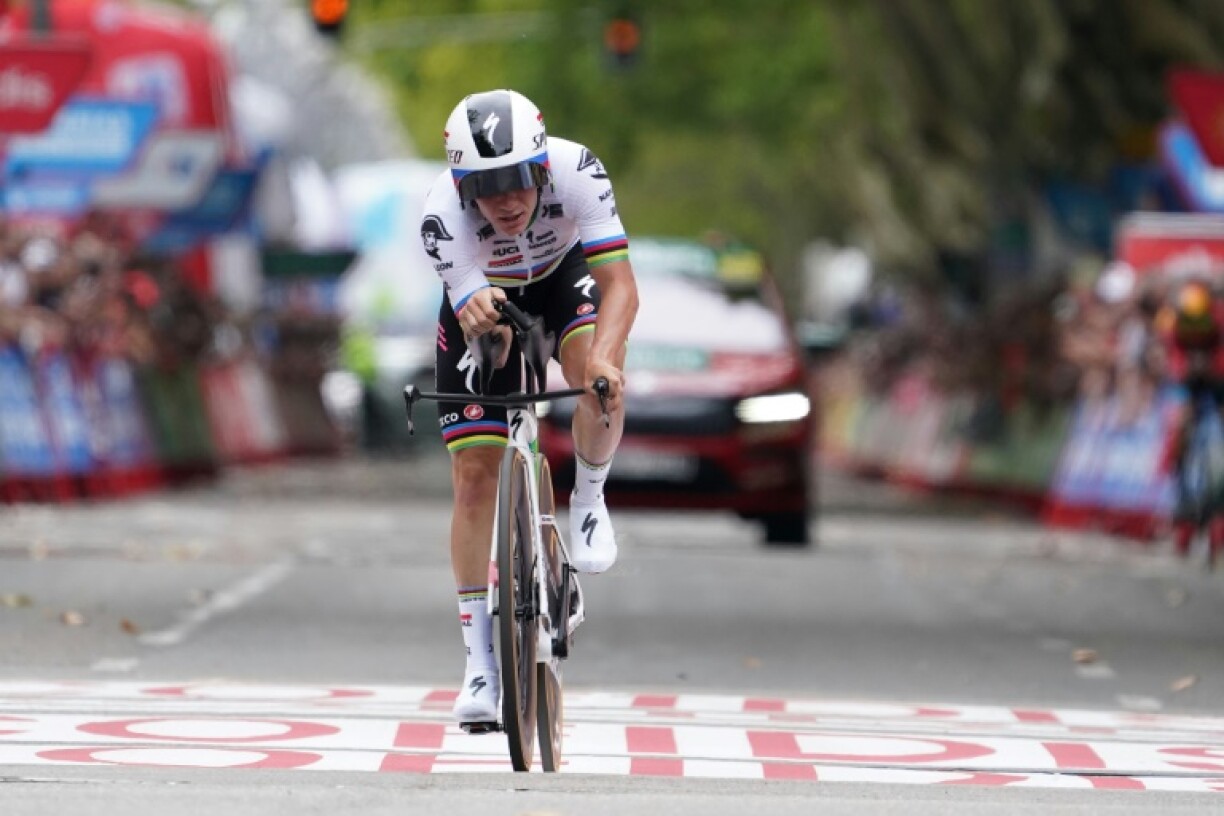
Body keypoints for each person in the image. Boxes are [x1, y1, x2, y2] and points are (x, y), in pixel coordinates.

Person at [418, 89, 639, 725]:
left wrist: (602, 357)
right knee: (472, 476)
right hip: (486, 296)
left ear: (542, 169)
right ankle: (480, 666)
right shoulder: (440, 219)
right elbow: (475, 321)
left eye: (518, 181)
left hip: (564, 278)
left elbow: (621, 285)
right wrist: (478, 311)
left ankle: (589, 497)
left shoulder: (579, 171)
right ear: (462, 189)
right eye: (487, 188)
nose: (507, 201)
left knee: (595, 378)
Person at [1157, 277, 1224, 520]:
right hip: (1188, 380)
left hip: (1216, 379)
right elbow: (1174, 355)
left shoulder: (1218, 318)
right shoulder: (1176, 322)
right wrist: (1184, 374)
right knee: (1178, 425)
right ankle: (1179, 488)